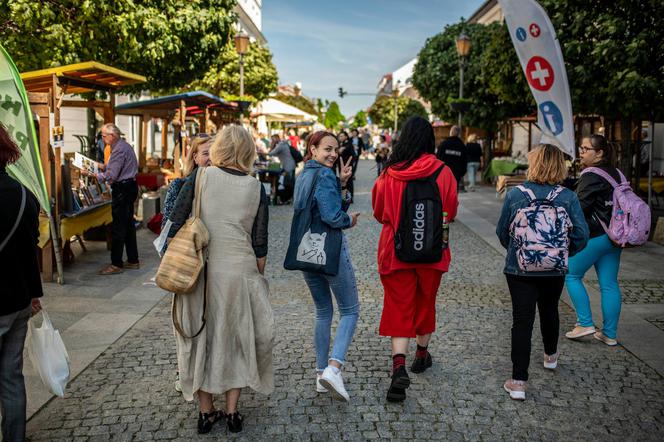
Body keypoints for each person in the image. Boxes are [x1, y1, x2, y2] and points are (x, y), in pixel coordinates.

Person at [171, 125, 273, 434]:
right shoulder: (257, 188)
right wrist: (257, 278)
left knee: (201, 337)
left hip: (200, 271)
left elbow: (175, 221)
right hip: (240, 273)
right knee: (237, 340)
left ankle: (205, 412)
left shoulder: (200, 177)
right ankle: (232, 413)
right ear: (248, 151)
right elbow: (260, 243)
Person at [372, 117, 458, 403]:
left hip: (395, 253)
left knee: (399, 306)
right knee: (425, 302)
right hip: (433, 252)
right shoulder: (444, 172)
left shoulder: (390, 173)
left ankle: (399, 367)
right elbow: (451, 212)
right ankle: (421, 356)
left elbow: (378, 210)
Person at [496, 144, 588, 401]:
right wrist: (560, 252)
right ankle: (550, 355)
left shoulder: (516, 194)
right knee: (550, 309)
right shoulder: (568, 197)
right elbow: (582, 235)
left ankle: (518, 381)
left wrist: (517, 249)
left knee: (522, 320)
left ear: (533, 163)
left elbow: (502, 232)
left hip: (519, 269)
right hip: (554, 268)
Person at [293, 131, 360, 402]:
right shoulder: (323, 175)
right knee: (351, 310)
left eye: (336, 149)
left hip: (307, 251)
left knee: (323, 311)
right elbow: (333, 216)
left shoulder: (304, 175)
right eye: (327, 149)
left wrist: (342, 185)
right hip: (330, 250)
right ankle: (334, 368)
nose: (333, 154)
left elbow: (316, 209)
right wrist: (349, 220)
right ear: (313, 148)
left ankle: (321, 374)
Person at [0, 123, 43, 442]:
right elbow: (31, 248)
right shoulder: (25, 195)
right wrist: (35, 294)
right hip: (18, 300)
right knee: (11, 377)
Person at [565, 134, 624, 346]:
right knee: (609, 284)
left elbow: (578, 209)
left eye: (586, 149)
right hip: (615, 237)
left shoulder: (591, 175)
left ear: (599, 153)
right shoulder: (618, 173)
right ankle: (609, 333)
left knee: (571, 274)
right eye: (581, 148)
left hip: (595, 236)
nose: (581, 152)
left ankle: (585, 323)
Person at [94, 123, 139, 275]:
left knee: (119, 227)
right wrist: (100, 166)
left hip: (123, 189)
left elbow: (111, 175)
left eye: (104, 135)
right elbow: (113, 167)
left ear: (112, 136)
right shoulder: (123, 146)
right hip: (129, 186)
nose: (102, 138)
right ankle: (133, 260)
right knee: (128, 225)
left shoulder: (118, 149)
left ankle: (116, 264)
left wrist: (94, 175)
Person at [436, 125, 467, 193]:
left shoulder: (444, 144)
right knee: (454, 193)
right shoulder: (462, 146)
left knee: (444, 193)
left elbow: (438, 158)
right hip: (456, 174)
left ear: (451, 132)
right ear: (458, 134)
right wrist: (461, 173)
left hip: (444, 173)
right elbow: (464, 161)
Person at [269, 135, 296, 204]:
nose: (272, 141)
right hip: (290, 165)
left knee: (288, 183)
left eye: (273, 139)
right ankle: (290, 199)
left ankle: (288, 199)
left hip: (288, 166)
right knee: (289, 182)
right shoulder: (283, 144)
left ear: (277, 138)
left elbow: (271, 153)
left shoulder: (280, 145)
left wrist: (272, 145)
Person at [337, 130, 358, 202]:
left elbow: (353, 155)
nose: (340, 137)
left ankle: (350, 197)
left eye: (342, 136)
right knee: (343, 181)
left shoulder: (349, 144)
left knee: (349, 181)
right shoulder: (340, 144)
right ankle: (344, 196)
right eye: (339, 136)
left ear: (346, 137)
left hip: (348, 166)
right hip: (341, 166)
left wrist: (351, 165)